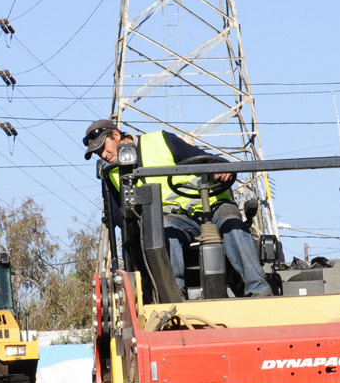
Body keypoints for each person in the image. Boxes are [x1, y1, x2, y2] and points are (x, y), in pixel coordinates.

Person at [83, 118, 272, 298]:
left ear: (116, 135)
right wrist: (137, 222)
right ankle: (174, 298)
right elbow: (114, 213)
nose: (103, 155)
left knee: (232, 222)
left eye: (103, 148)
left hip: (212, 206)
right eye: (98, 153)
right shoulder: (111, 172)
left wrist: (220, 168)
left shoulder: (161, 141)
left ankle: (258, 291)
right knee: (163, 230)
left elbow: (204, 160)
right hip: (174, 218)